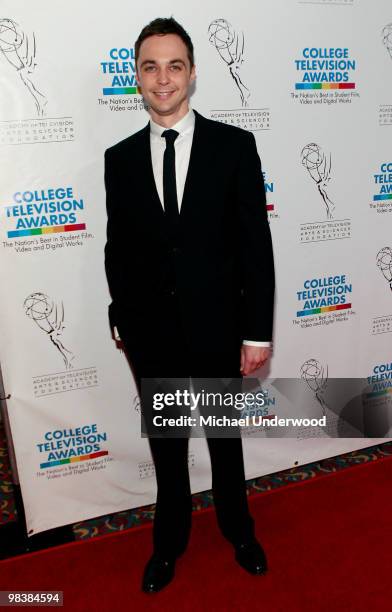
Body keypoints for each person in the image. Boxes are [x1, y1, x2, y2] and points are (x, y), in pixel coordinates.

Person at [104, 17, 275, 594]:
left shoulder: (234, 146)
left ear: (193, 73)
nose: (163, 78)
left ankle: (239, 530)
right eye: (150, 66)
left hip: (221, 329)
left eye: (174, 65)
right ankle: (168, 541)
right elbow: (117, 250)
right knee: (169, 448)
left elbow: (257, 247)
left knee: (225, 442)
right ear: (137, 77)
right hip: (154, 334)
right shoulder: (119, 158)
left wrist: (256, 333)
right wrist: (124, 318)